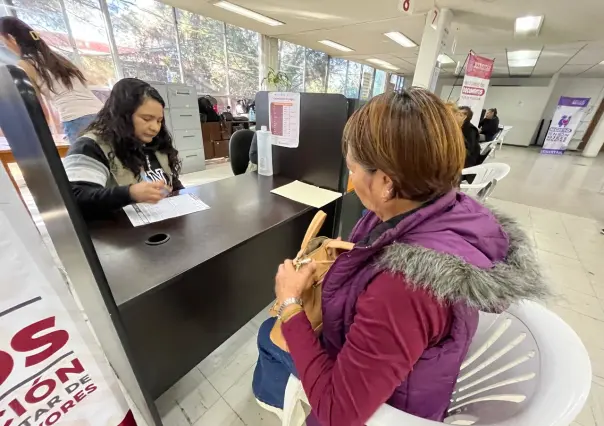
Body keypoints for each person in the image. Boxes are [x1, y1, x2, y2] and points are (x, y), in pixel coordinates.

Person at [252, 89, 548, 426]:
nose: (350, 182)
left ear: (386, 184)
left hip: (388, 410)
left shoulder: (404, 289)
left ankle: (273, 400)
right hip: (404, 374)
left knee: (268, 335)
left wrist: (289, 302)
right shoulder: (447, 208)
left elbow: (338, 413)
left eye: (352, 170)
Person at [63, 78, 183, 220]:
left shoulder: (155, 142)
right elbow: (75, 198)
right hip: (118, 233)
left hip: (162, 223)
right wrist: (129, 193)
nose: (155, 128)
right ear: (122, 115)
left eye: (159, 121)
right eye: (146, 119)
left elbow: (172, 183)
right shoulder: (90, 147)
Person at [0, 17, 103, 143]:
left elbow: (37, 107)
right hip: (102, 114)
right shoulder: (57, 58)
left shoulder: (25, 64)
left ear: (12, 38)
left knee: (86, 161)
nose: (6, 46)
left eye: (4, 42)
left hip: (77, 120)